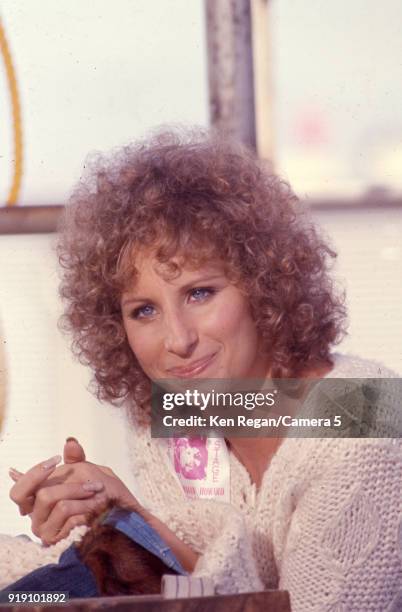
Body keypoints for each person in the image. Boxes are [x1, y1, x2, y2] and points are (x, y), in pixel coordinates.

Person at [5, 128, 402, 610]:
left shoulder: (366, 421)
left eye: (200, 293)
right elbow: (189, 588)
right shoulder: (172, 415)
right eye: (143, 311)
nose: (178, 340)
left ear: (265, 282)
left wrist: (141, 524)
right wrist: (117, 517)